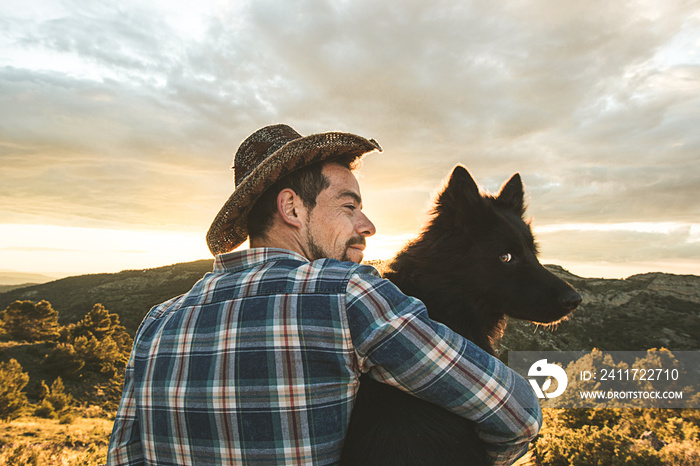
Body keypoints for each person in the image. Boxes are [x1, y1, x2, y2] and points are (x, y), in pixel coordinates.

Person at [107, 124, 542, 465]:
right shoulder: (348, 294)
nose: (367, 225)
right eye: (349, 206)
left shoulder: (158, 323)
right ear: (293, 208)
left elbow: (125, 456)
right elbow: (516, 414)